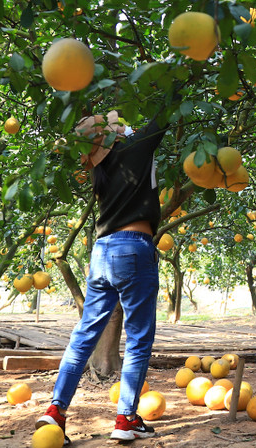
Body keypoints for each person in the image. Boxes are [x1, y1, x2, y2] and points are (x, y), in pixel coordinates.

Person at [36, 111, 167, 444]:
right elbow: (164, 112)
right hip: (134, 250)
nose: (121, 123)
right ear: (112, 137)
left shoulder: (101, 170)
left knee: (83, 336)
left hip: (102, 252)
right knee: (138, 340)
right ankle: (125, 418)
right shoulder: (135, 150)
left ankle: (55, 411)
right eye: (116, 124)